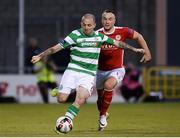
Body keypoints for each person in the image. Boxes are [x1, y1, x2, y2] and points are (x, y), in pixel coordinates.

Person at [31, 13, 144, 132]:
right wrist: (40, 55)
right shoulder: (74, 35)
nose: (86, 27)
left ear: (94, 25)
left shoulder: (100, 36)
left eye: (89, 25)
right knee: (61, 99)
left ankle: (67, 120)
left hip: (88, 74)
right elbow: (56, 47)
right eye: (84, 25)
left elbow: (118, 43)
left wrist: (134, 49)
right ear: (81, 24)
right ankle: (60, 90)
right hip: (72, 71)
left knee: (82, 98)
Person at [96, 10, 152, 131]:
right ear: (101, 20)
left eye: (110, 19)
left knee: (109, 85)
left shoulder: (123, 31)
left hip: (117, 69)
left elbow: (139, 36)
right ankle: (103, 112)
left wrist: (147, 52)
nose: (107, 21)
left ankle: (102, 117)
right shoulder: (96, 34)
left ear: (114, 21)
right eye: (105, 19)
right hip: (99, 71)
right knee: (100, 101)